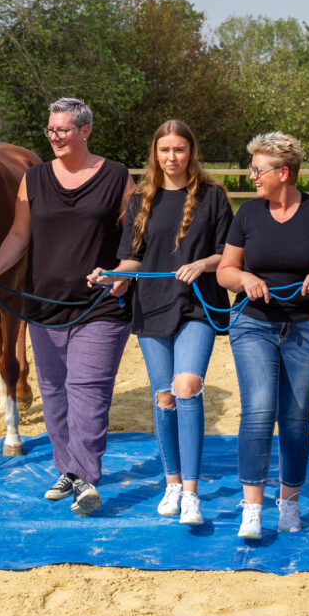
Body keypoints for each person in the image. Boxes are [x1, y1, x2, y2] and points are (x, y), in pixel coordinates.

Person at [0, 97, 133, 516]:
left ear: (85, 131)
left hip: (99, 305)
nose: (55, 137)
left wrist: (126, 272)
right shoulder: (35, 178)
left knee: (89, 392)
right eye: (50, 130)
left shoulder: (117, 177)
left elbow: (136, 238)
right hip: (44, 305)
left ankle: (85, 478)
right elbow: (18, 236)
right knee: (55, 393)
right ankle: (67, 469)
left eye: (62, 130)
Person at [88, 120, 233, 526]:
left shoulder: (213, 196)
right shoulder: (139, 198)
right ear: (155, 153)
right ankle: (171, 483)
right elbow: (132, 260)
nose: (172, 158)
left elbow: (228, 255)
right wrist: (114, 278)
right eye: (165, 150)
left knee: (187, 387)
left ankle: (191, 492)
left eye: (180, 150)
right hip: (151, 306)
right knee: (164, 396)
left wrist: (202, 263)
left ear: (192, 152)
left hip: (197, 305)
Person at [216, 131, 309, 539]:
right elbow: (224, 270)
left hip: (305, 327)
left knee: (297, 417)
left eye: (258, 169)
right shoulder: (248, 214)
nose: (252, 176)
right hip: (253, 325)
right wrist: (244, 277)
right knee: (260, 410)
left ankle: (289, 501)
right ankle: (252, 507)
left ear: (284, 173)